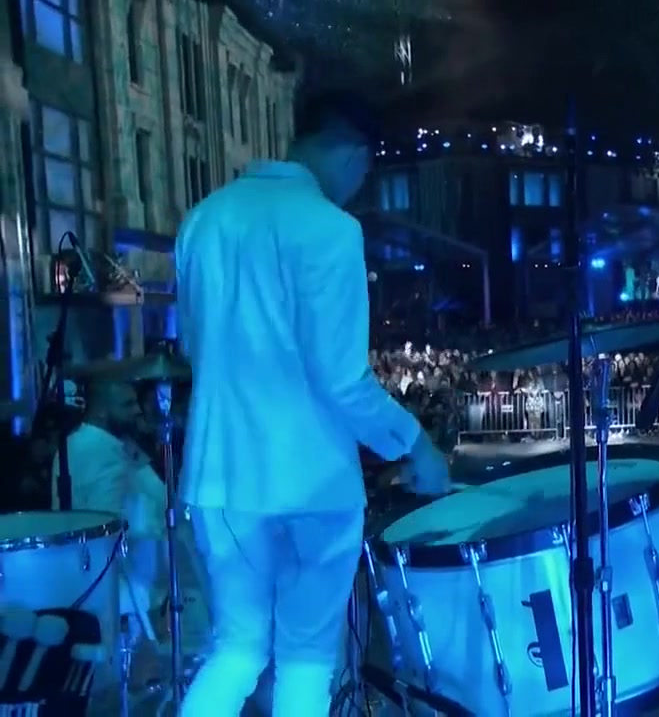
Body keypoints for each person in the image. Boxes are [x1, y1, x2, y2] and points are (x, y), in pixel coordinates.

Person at [175, 92, 451, 716]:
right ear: (354, 154)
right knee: (304, 659)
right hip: (313, 482)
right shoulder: (331, 229)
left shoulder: (202, 220)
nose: (360, 185)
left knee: (235, 651)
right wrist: (417, 445)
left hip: (220, 475)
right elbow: (341, 378)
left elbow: (194, 347)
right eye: (366, 170)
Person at [52, 380, 169, 620]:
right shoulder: (99, 451)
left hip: (99, 578)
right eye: (127, 405)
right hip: (113, 585)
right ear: (101, 411)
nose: (137, 410)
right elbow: (108, 528)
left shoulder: (89, 442)